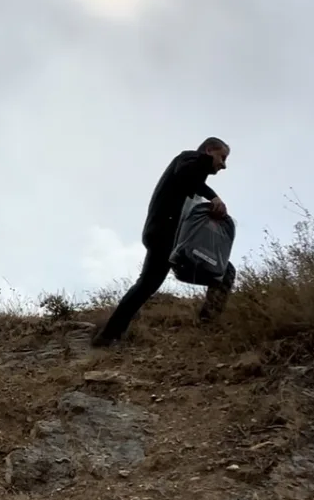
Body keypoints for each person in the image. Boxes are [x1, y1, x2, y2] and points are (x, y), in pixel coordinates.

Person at [91, 137, 236, 347]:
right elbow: (187, 175)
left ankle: (107, 337)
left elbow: (191, 184)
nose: (224, 165)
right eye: (222, 157)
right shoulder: (189, 159)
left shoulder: (193, 177)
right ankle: (207, 325)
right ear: (208, 150)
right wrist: (214, 197)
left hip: (174, 240)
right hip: (166, 237)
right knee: (221, 272)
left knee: (219, 273)